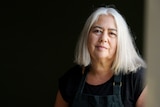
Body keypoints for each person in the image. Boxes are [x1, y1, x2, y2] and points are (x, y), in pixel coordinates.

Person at [54, 5, 147, 107]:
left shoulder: (137, 79)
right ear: (87, 37)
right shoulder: (71, 79)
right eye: (97, 31)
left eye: (112, 33)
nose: (103, 38)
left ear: (121, 42)